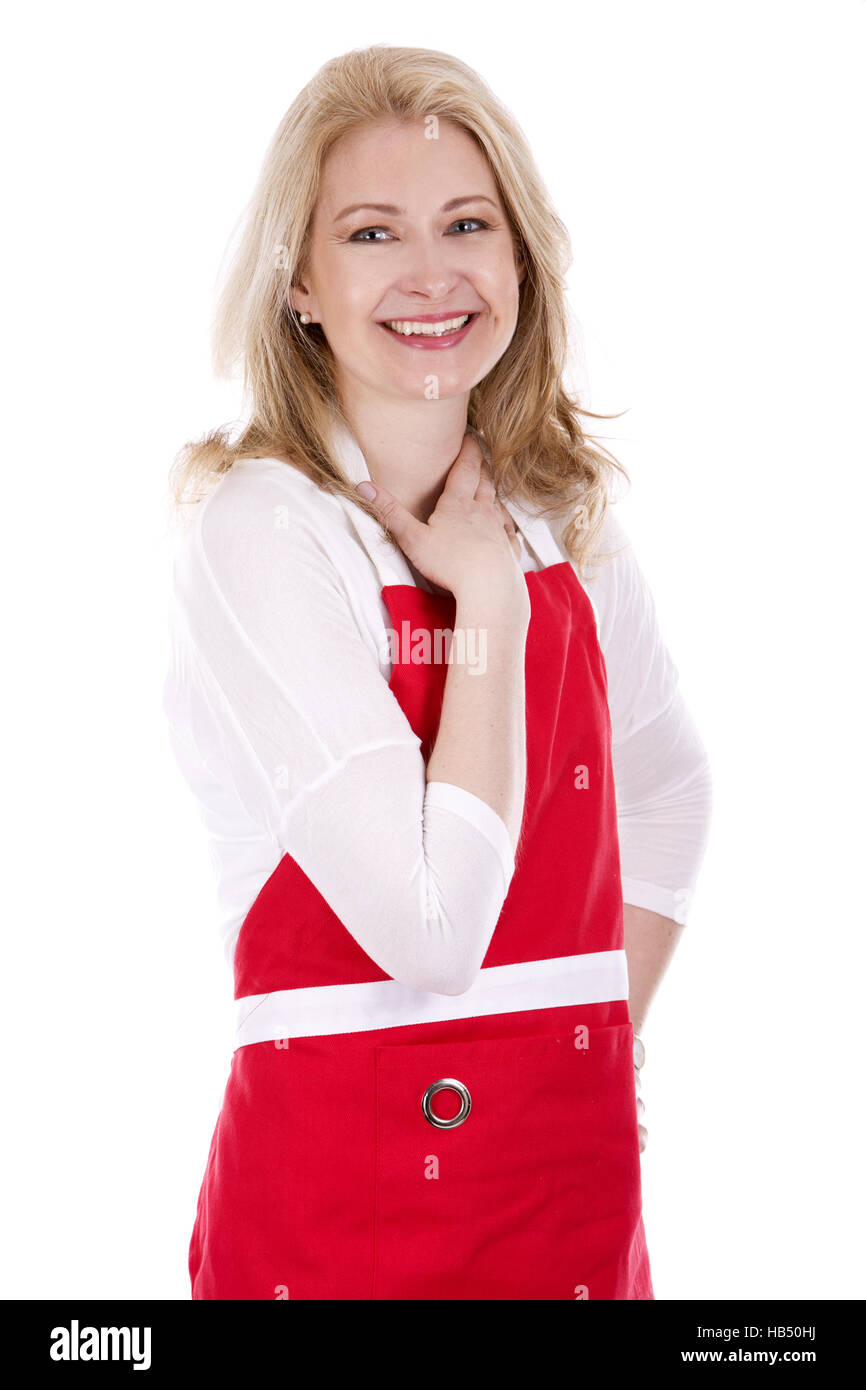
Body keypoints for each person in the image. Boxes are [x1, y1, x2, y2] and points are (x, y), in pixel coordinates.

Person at [163, 44, 713, 1301]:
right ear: (298, 281)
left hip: (563, 1201)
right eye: (369, 233)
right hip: (333, 1223)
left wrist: (589, 1046)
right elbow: (429, 932)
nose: (430, 272)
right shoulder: (265, 531)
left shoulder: (557, 512)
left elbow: (669, 791)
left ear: (518, 258)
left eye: (467, 222)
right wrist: (490, 614)